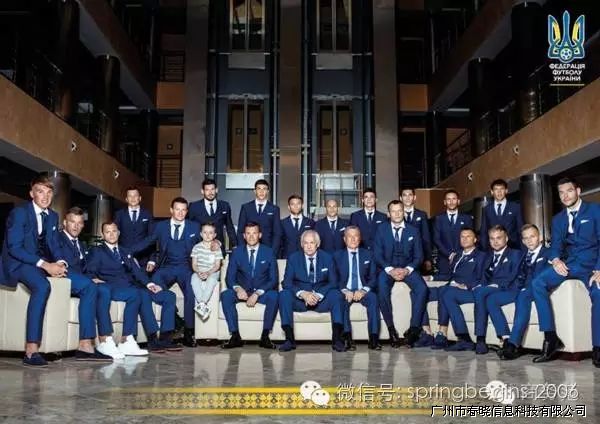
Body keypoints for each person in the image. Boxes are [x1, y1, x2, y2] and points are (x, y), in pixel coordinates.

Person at [0, 175, 109, 367]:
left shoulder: (52, 216)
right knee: (42, 286)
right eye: (40, 191)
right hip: (20, 263)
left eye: (49, 192)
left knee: (88, 286)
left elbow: (53, 245)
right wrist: (44, 265)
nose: (45, 196)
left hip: (44, 263)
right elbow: (14, 248)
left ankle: (85, 345)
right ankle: (31, 350)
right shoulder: (20, 213)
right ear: (31, 193)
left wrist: (60, 262)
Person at [531, 178, 600, 365]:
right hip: (568, 265)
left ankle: (598, 347)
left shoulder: (595, 210)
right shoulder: (558, 219)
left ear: (578, 191)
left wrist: (599, 269)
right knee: (537, 282)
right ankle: (551, 338)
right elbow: (555, 246)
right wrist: (555, 260)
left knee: (598, 292)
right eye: (561, 192)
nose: (565, 196)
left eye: (569, 191)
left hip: (591, 266)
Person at [85, 222, 182, 354]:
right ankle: (152, 339)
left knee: (169, 295)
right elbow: (89, 270)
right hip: (114, 287)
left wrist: (150, 284)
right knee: (141, 294)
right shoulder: (97, 251)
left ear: (119, 233)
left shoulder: (125, 251)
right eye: (108, 232)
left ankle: (166, 338)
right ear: (103, 235)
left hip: (134, 285)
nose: (111, 234)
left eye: (114, 231)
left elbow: (137, 271)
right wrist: (93, 279)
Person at [131, 197, 201, 347]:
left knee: (191, 292)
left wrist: (216, 243)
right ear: (171, 210)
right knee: (155, 284)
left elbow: (206, 241)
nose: (180, 213)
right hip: (166, 267)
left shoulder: (194, 227)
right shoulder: (161, 226)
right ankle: (176, 319)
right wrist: (127, 252)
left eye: (183, 210)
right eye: (177, 209)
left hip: (185, 268)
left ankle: (189, 333)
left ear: (187, 212)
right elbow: (148, 242)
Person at [58, 207, 124, 360]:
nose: (76, 226)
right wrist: (88, 280)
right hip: (64, 277)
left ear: (83, 225)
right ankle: (85, 344)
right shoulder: (57, 239)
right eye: (72, 222)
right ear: (65, 222)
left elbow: (85, 269)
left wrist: (92, 277)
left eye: (79, 223)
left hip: (81, 280)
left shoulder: (81, 244)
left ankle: (105, 340)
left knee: (104, 288)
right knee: (90, 286)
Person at [444, 225, 521, 354]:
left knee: (481, 292)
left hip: (508, 289)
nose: (495, 241)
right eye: (492, 239)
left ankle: (480, 339)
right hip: (487, 290)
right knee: (448, 294)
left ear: (506, 238)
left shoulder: (515, 254)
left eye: (499, 238)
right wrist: (469, 286)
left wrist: (496, 285)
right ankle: (464, 338)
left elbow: (516, 275)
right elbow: (482, 277)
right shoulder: (488, 256)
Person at [412, 228, 486, 350]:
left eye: (468, 236)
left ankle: (445, 333)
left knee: (446, 291)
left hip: (468, 291)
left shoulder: (482, 256)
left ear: (475, 239)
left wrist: (466, 286)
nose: (465, 239)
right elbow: (449, 275)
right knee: (417, 292)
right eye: (462, 236)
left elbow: (484, 278)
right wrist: (431, 277)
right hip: (449, 288)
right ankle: (427, 333)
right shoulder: (457, 255)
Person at [278, 230, 346, 352]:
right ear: (301, 244)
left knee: (336, 295)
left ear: (317, 244)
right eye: (306, 243)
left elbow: (333, 282)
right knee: (284, 295)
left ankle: (337, 340)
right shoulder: (293, 258)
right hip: (300, 301)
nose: (309, 246)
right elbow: (286, 282)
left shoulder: (327, 258)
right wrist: (303, 294)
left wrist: (318, 295)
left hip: (321, 300)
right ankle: (289, 339)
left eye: (312, 243)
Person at [374, 200, 428, 347]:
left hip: (408, 269)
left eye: (400, 211)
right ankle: (391, 330)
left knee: (422, 288)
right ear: (388, 214)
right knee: (381, 287)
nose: (397, 214)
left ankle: (414, 329)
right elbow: (377, 255)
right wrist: (390, 270)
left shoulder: (413, 230)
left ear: (404, 212)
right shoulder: (381, 230)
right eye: (393, 211)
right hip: (388, 269)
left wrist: (407, 269)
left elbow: (419, 256)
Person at [220, 222, 279, 350]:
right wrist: (238, 288)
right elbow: (229, 278)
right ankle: (235, 336)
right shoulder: (236, 252)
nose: (251, 236)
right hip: (242, 291)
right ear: (244, 236)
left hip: (261, 292)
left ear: (260, 235)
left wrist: (257, 293)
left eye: (254, 233)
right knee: (226, 295)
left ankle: (265, 337)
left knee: (274, 296)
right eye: (248, 233)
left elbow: (273, 280)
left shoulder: (269, 252)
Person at [496, 224, 549, 360]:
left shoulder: (548, 253)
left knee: (523, 296)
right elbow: (519, 276)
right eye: (526, 238)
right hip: (522, 289)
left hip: (538, 289)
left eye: (532, 236)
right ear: (523, 241)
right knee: (495, 298)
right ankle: (507, 339)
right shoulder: (524, 256)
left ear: (540, 237)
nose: (529, 240)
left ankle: (513, 344)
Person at [333, 226, 381, 350]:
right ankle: (348, 338)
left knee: (373, 298)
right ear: (344, 239)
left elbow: (373, 278)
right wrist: (345, 290)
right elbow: (334, 279)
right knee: (340, 301)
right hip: (346, 290)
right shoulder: (337, 256)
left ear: (360, 238)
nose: (353, 239)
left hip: (363, 290)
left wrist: (364, 290)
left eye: (356, 236)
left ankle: (374, 339)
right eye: (350, 236)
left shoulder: (368, 254)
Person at [433, 190, 473, 279]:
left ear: (458, 201)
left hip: (463, 258)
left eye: (454, 199)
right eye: (448, 199)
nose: (451, 202)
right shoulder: (439, 219)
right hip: (444, 260)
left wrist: (457, 254)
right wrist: (449, 254)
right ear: (445, 202)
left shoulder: (467, 218)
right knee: (443, 285)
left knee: (462, 283)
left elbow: (470, 239)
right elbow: (436, 239)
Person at [188, 178, 237, 253]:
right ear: (202, 191)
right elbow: (189, 228)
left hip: (218, 248)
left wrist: (235, 245)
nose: (210, 192)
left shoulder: (224, 206)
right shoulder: (194, 207)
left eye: (212, 189)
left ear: (216, 190)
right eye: (207, 190)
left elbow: (229, 227)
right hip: (200, 249)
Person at [237, 179, 282, 255]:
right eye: (259, 189)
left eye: (264, 189)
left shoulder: (274, 209)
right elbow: (240, 231)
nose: (261, 192)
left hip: (268, 249)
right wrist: (242, 251)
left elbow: (277, 233)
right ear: (255, 191)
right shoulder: (246, 208)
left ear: (268, 191)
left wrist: (273, 252)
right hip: (249, 249)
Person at [190, 222, 224, 320]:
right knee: (193, 279)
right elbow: (194, 264)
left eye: (210, 233)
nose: (208, 235)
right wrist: (198, 272)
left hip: (213, 271)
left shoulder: (216, 248)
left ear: (215, 235)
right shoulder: (196, 247)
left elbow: (217, 265)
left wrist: (208, 273)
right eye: (205, 232)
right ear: (201, 234)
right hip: (199, 270)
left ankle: (202, 302)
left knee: (211, 281)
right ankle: (202, 304)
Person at [113, 186, 154, 266]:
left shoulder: (147, 214)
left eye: (135, 195)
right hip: (124, 257)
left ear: (140, 198)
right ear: (126, 199)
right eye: (130, 196)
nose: (133, 198)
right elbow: (114, 236)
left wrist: (152, 260)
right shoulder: (119, 214)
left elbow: (152, 238)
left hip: (143, 258)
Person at [479, 179, 524, 250]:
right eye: (496, 189)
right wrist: (484, 250)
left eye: (501, 189)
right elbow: (484, 231)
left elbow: (520, 229)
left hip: (513, 247)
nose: (499, 192)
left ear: (506, 191)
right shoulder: (487, 209)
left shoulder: (515, 207)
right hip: (493, 248)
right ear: (492, 192)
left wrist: (523, 250)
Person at [401, 188, 433, 272]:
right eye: (404, 195)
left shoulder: (422, 215)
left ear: (414, 197)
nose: (407, 198)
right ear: (401, 198)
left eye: (410, 195)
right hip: (401, 258)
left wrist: (428, 258)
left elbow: (426, 237)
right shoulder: (395, 215)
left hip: (419, 257)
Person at [280, 194, 315, 259]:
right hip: (287, 258)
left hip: (306, 258)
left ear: (302, 206)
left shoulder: (311, 222)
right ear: (289, 207)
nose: (296, 206)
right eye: (293, 204)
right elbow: (280, 243)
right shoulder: (282, 223)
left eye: (298, 204)